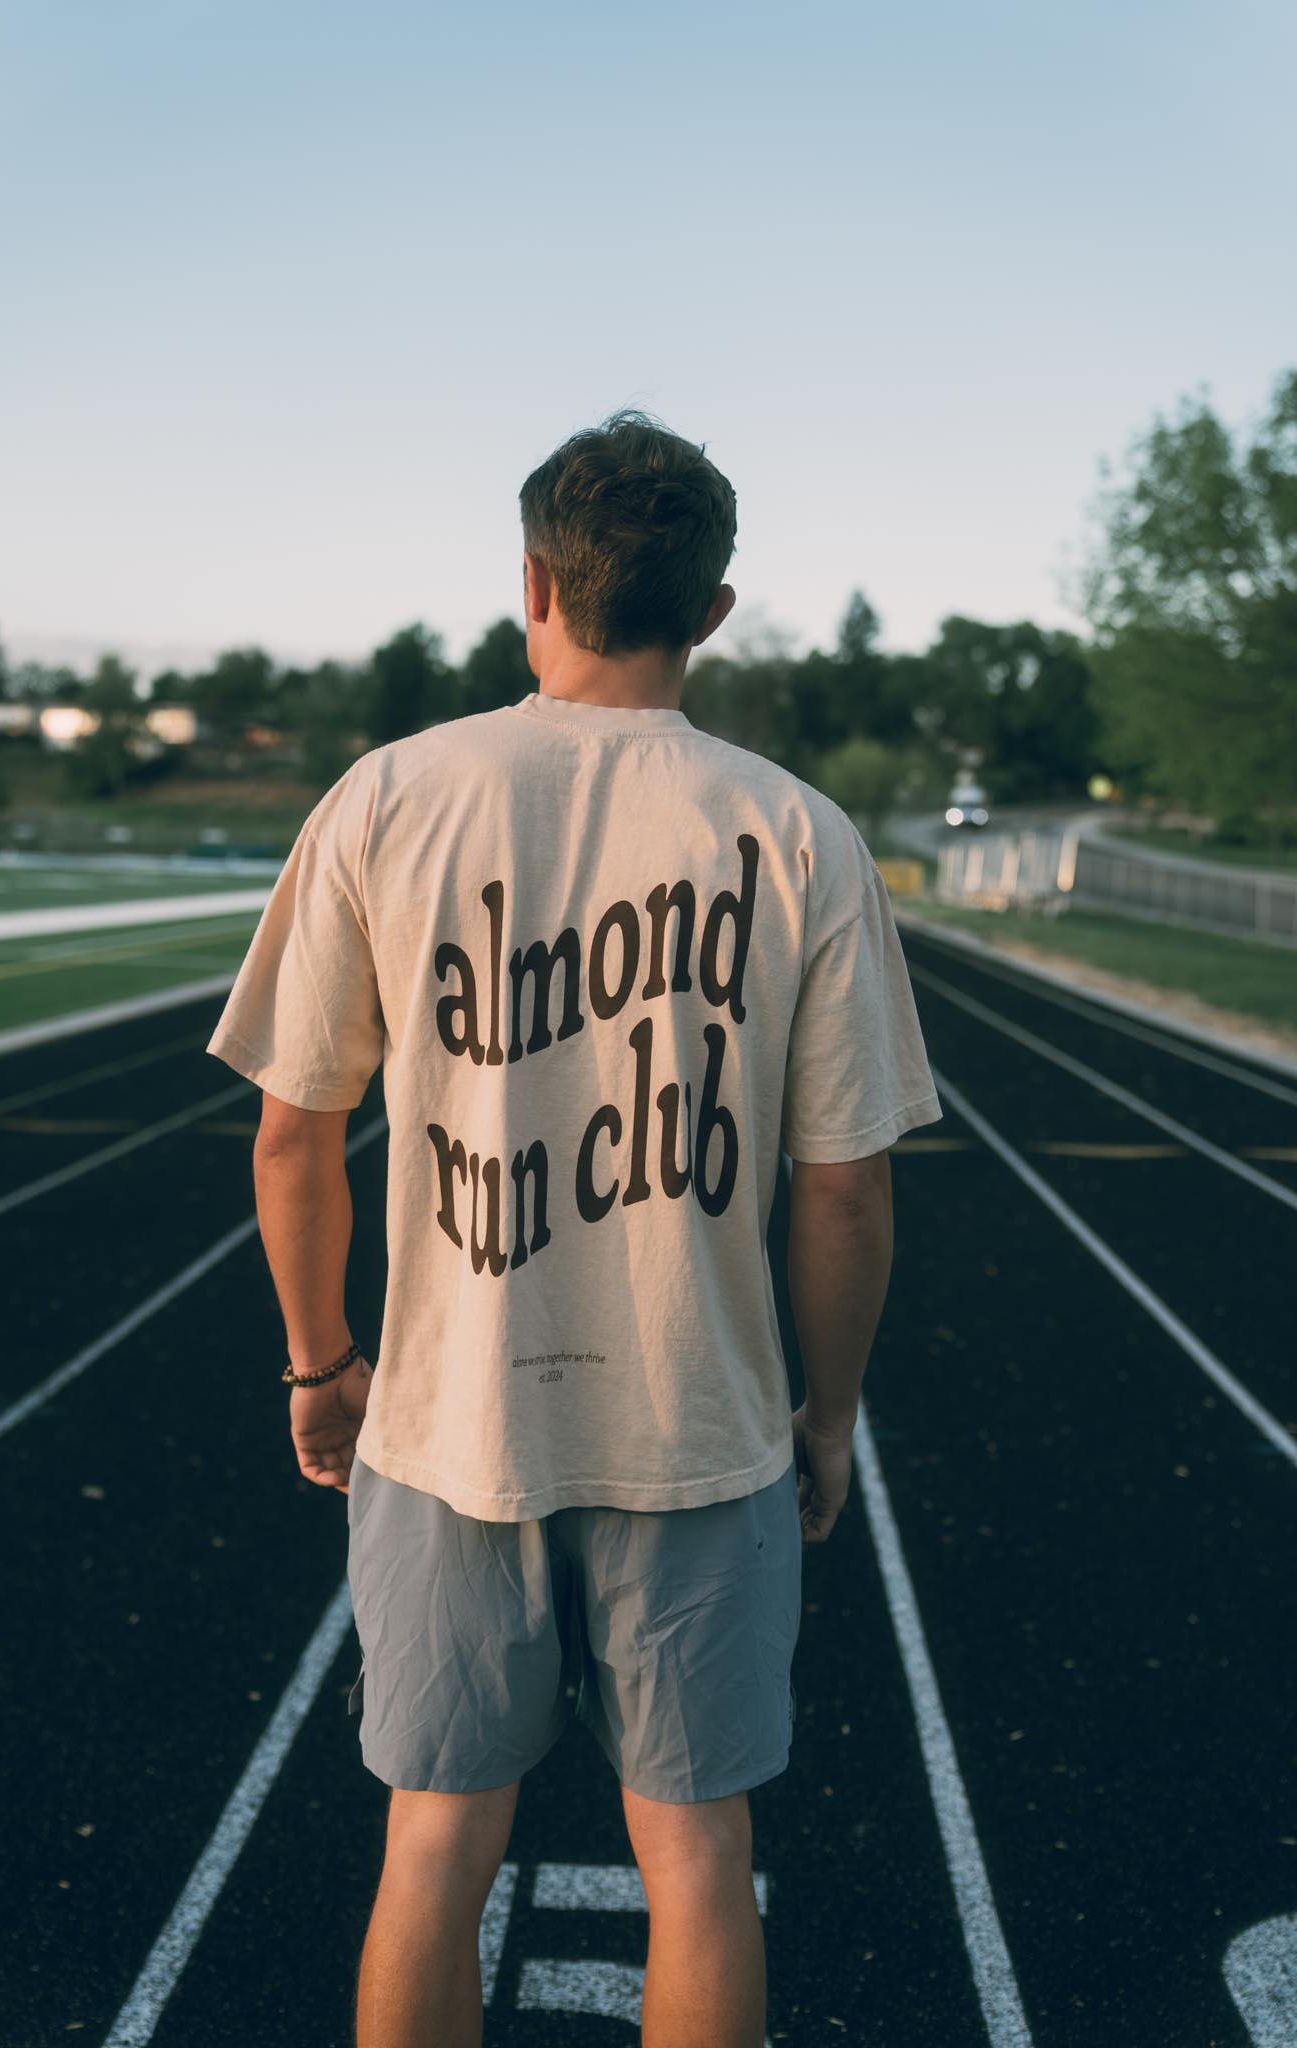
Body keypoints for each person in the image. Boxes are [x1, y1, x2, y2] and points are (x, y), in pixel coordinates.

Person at [205, 408, 942, 2048]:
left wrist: (323, 1366)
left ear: (531, 581)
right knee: (695, 1861)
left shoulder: (389, 796)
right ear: (717, 608)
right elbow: (846, 1186)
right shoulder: (799, 832)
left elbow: (290, 1133)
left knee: (435, 1846)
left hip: (448, 1425)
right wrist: (827, 1417)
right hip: (704, 1424)